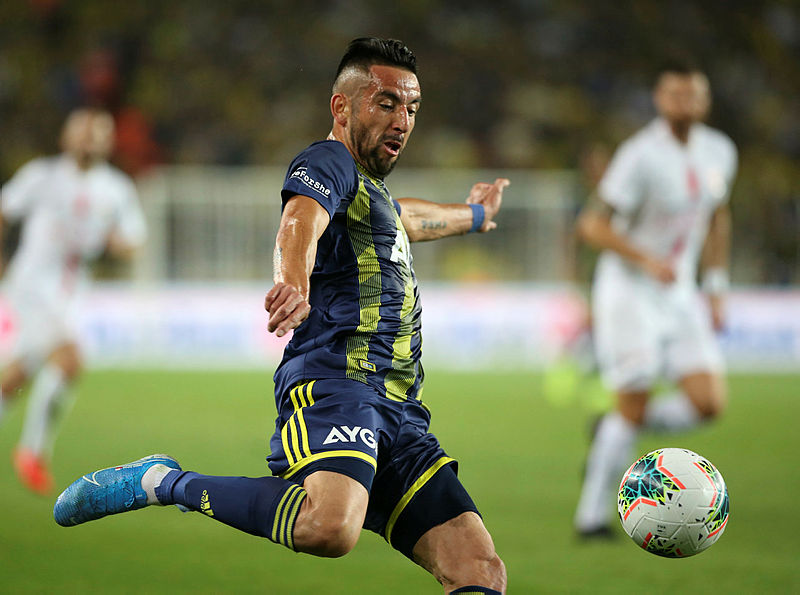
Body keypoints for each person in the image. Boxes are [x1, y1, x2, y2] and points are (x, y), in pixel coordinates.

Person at [54, 38, 509, 594]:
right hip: (340, 385)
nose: (402, 121)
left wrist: (474, 214)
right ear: (342, 107)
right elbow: (300, 220)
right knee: (329, 526)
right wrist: (293, 280)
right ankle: (162, 482)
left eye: (412, 108)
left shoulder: (371, 194)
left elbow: (406, 218)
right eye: (386, 103)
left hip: (400, 410)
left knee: (479, 570)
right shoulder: (327, 162)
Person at [573, 59, 737, 537]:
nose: (685, 102)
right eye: (675, 94)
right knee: (635, 398)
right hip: (629, 290)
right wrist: (645, 259)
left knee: (708, 404)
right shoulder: (640, 154)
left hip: (680, 292)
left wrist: (716, 285)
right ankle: (591, 518)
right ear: (659, 100)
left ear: (705, 100)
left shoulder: (720, 150)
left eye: (693, 94)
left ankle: (613, 427)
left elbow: (718, 216)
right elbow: (592, 224)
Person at [0, 108, 147, 494]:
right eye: (83, 132)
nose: (89, 139)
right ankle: (32, 452)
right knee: (70, 359)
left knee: (17, 374)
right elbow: (3, 210)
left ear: (109, 142)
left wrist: (119, 244)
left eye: (98, 133)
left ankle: (30, 450)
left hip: (71, 294)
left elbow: (135, 239)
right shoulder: (42, 176)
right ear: (65, 137)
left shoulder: (116, 188)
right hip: (31, 286)